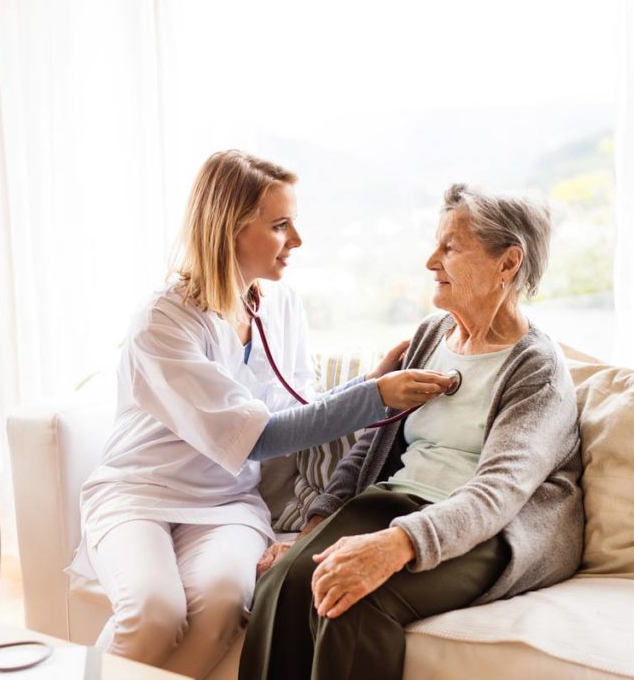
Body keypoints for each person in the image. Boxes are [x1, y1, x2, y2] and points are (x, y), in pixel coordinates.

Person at [70, 150, 451, 678]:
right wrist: (377, 396)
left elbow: (298, 407)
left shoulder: (279, 305)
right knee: (154, 613)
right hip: (142, 494)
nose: (296, 239)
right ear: (228, 228)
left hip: (226, 502)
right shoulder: (164, 321)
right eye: (280, 225)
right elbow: (258, 437)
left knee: (223, 604)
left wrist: (366, 384)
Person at [240, 183, 585, 680]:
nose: (430, 261)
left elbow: (497, 494)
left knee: (350, 602)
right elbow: (369, 449)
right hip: (397, 500)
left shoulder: (537, 370)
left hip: (489, 531)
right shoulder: (429, 336)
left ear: (508, 264)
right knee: (283, 583)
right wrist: (313, 528)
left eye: (450, 247)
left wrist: (395, 544)